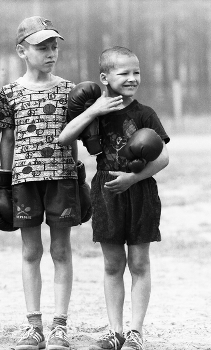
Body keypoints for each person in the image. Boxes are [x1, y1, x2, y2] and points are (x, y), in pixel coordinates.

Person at [59, 46, 170, 350]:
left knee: (138, 262)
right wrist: (92, 111)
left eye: (136, 72)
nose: (132, 78)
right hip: (106, 191)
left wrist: (133, 178)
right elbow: (64, 138)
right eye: (124, 73)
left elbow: (163, 158)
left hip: (140, 192)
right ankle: (115, 331)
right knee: (112, 264)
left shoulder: (146, 113)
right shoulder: (95, 112)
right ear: (105, 77)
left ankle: (135, 332)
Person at [0, 16, 81, 350]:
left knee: (61, 250)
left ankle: (59, 326)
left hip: (62, 177)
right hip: (23, 180)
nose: (50, 53)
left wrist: (80, 177)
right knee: (31, 250)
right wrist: (3, 185)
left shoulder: (68, 90)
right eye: (41, 48)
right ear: (22, 51)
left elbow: (75, 136)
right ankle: (34, 327)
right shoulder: (8, 93)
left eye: (53, 47)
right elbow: (6, 139)